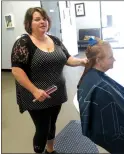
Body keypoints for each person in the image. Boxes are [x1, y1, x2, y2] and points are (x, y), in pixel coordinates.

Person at [11, 7, 88, 154]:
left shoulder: (55, 40)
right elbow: (17, 71)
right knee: (42, 128)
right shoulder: (23, 43)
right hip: (36, 95)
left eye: (44, 18)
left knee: (52, 124)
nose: (42, 22)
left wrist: (82, 61)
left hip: (56, 92)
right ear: (29, 23)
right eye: (37, 19)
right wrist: (34, 90)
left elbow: (68, 59)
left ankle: (50, 151)